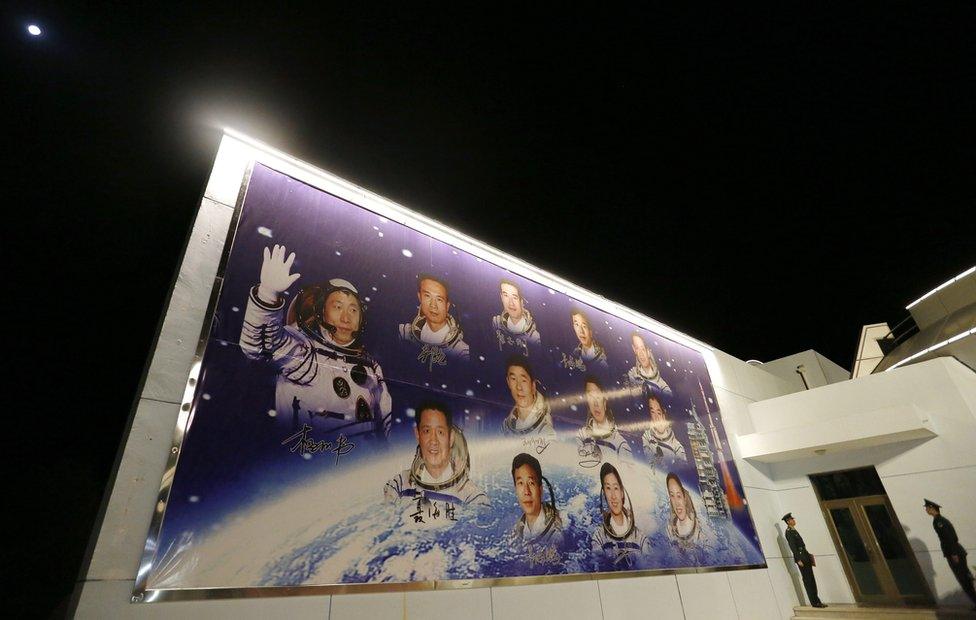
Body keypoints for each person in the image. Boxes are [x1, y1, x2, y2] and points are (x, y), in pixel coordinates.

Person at [240, 244, 391, 440]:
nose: (346, 318)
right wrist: (267, 295)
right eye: (337, 307)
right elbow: (262, 346)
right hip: (312, 463)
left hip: (365, 464)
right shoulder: (306, 353)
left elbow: (385, 424)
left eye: (353, 310)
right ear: (321, 312)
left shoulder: (370, 366)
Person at [384, 401, 490, 523]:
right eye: (426, 431)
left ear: (451, 438)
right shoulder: (398, 485)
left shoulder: (473, 497)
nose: (433, 441)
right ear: (417, 434)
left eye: (440, 432)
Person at [398, 274, 469, 364]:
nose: (433, 305)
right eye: (427, 296)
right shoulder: (405, 334)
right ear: (420, 297)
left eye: (439, 299)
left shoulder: (461, 351)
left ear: (447, 306)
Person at [592, 463, 650, 568]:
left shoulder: (641, 538)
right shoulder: (599, 538)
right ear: (604, 494)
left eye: (616, 488)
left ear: (622, 492)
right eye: (608, 488)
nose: (613, 496)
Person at [925, 499, 976, 607]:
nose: (926, 510)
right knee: (965, 578)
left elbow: (949, 538)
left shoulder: (939, 522)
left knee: (964, 580)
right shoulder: (939, 520)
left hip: (955, 553)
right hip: (955, 552)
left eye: (927, 508)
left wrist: (953, 554)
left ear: (932, 508)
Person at [576, 375, 633, 465]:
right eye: (590, 397)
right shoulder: (581, 436)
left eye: (598, 396)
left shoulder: (620, 444)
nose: (595, 403)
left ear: (605, 402)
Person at [511, 453, 564, 547]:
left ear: (540, 489)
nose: (526, 491)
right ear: (515, 489)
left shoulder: (561, 525)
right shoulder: (516, 532)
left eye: (531, 483)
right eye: (520, 483)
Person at [501, 355, 556, 437]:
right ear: (508, 382)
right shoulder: (507, 425)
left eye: (523, 380)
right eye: (513, 379)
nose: (518, 387)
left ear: (533, 385)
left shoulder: (545, 429)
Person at [784, 513, 827, 608]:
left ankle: (817, 600)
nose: (794, 520)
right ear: (788, 521)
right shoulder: (789, 532)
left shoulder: (794, 530)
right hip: (801, 558)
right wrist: (798, 559)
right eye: (792, 519)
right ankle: (814, 602)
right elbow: (793, 547)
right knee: (808, 580)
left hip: (805, 555)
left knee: (811, 579)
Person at [491, 279, 541, 355]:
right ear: (501, 297)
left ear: (522, 302)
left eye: (515, 297)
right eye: (506, 296)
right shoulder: (496, 322)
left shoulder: (534, 337)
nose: (510, 303)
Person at [642, 392, 687, 469]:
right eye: (652, 412)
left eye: (658, 413)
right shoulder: (646, 437)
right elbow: (648, 464)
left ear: (664, 414)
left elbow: (683, 470)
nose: (656, 418)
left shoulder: (677, 447)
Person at [624, 332, 672, 397]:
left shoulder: (662, 384)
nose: (641, 354)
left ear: (648, 351)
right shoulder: (632, 374)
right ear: (634, 349)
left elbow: (669, 396)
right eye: (637, 349)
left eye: (643, 349)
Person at [665, 473, 701, 549]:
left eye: (679, 496)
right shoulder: (670, 530)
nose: (676, 503)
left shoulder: (698, 530)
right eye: (672, 496)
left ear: (684, 498)